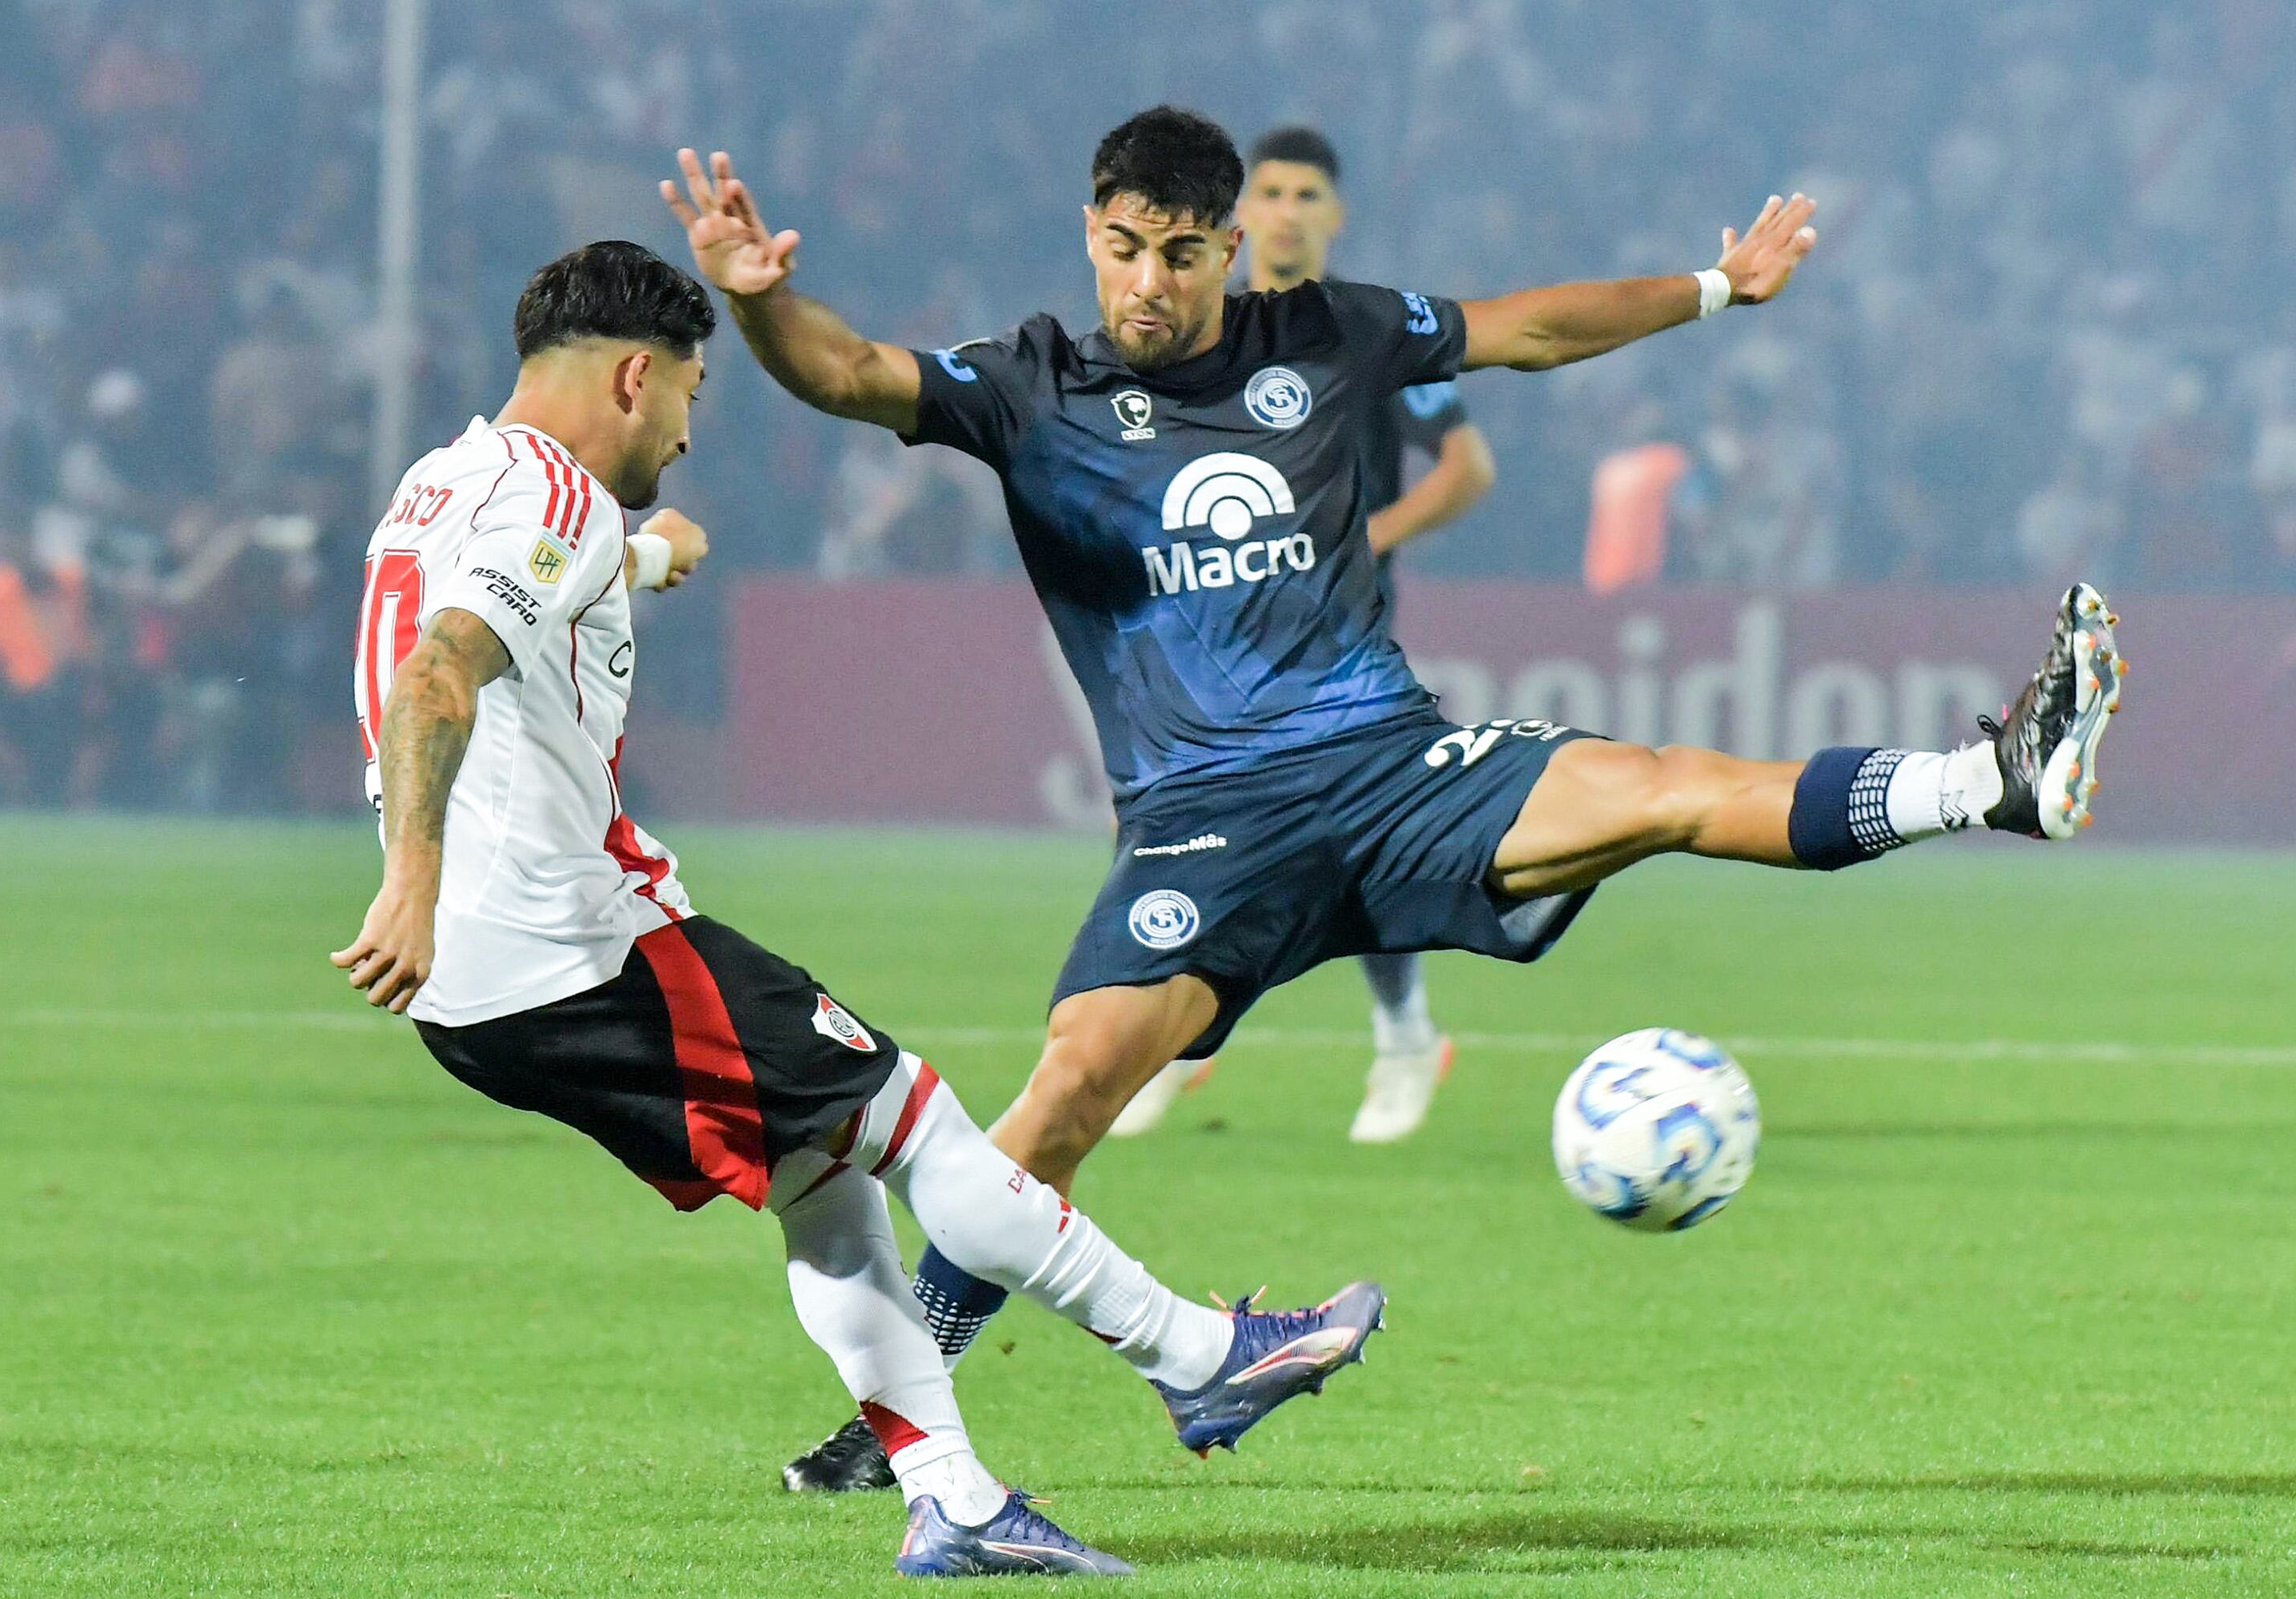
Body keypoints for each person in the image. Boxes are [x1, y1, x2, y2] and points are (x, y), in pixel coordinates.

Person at [663, 106, 2123, 1494]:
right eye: (1124, 247)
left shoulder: (1328, 334)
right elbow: (848, 372)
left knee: (1665, 785)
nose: (1150, 282)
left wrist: (1713, 288)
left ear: (1230, 248)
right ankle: (897, 1423)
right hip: (1204, 818)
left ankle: (1989, 781)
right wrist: (754, 302)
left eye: (1182, 251)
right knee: (1065, 1094)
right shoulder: (1029, 383)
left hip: (1390, 769)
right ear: (1091, 235)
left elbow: (1529, 329)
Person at [329, 241, 1385, 1577]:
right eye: (694, 400)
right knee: (920, 1124)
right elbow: (439, 678)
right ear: (635, 379)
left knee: (826, 1182)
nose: (692, 432)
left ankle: (953, 1500)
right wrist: (410, 885)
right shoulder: (564, 506)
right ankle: (1200, 1358)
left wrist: (640, 558)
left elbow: (493, 592)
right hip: (575, 951)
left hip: (481, 993)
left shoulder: (444, 483)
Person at [1112, 125, 1498, 1145]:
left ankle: (1405, 1032)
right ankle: (1170, 1040)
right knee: (1193, 822)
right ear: (1244, 216)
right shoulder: (1205, 326)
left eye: (1306, 193)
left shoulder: (1370, 335)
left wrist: (1367, 537)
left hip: (1339, 632)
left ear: (1335, 213)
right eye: (1270, 191)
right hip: (1215, 622)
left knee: (1359, 836)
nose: (1286, 209)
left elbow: (1466, 468)